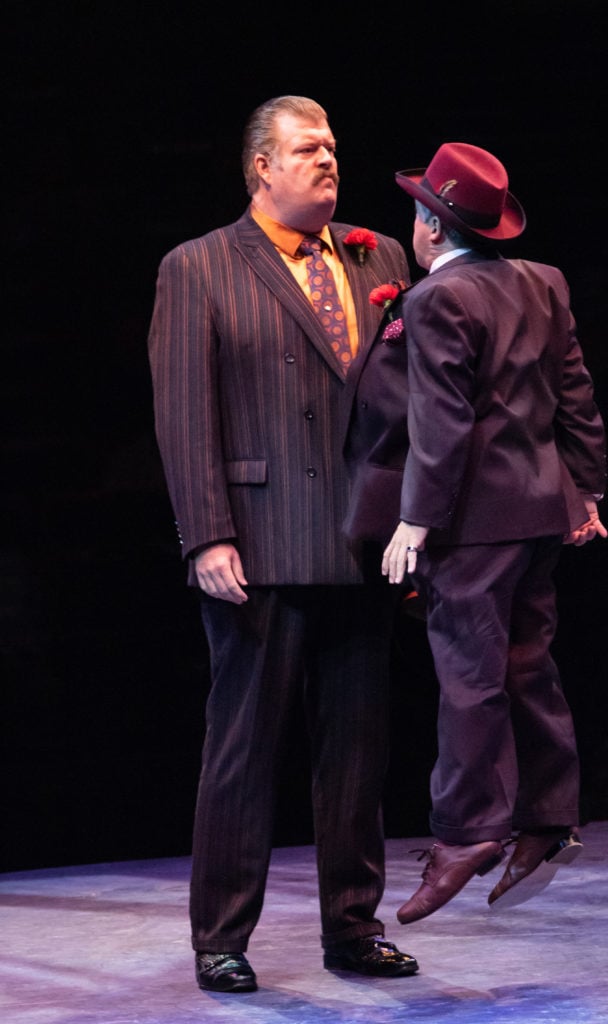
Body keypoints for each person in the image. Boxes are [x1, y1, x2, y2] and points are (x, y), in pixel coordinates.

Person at [147, 95, 418, 992]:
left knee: (356, 753)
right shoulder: (201, 266)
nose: (328, 161)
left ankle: (352, 926)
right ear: (260, 166)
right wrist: (206, 536)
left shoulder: (376, 255)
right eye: (307, 149)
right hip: (259, 544)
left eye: (333, 146)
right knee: (244, 750)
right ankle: (221, 935)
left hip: (361, 542)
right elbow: (185, 414)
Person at [343, 141, 607, 926]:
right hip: (537, 511)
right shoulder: (542, 281)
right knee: (527, 662)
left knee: (470, 675)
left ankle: (465, 834)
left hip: (475, 520)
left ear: (429, 223)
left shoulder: (434, 301)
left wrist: (414, 522)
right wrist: (585, 489)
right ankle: (548, 816)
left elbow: (443, 422)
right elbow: (576, 396)